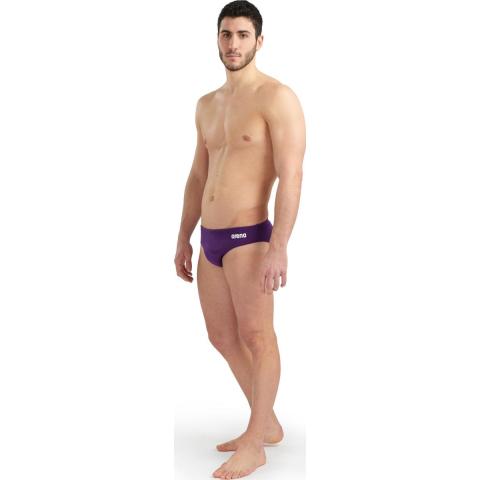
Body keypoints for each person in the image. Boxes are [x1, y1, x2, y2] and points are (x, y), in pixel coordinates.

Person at [174, 1, 306, 478]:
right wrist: (183, 237)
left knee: (257, 336)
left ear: (259, 41)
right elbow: (197, 175)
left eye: (243, 35)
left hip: (249, 237)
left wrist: (279, 246)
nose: (233, 44)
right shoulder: (207, 104)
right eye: (226, 34)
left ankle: (255, 444)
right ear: (218, 39)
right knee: (222, 336)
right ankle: (265, 422)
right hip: (209, 239)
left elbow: (292, 176)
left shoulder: (277, 97)